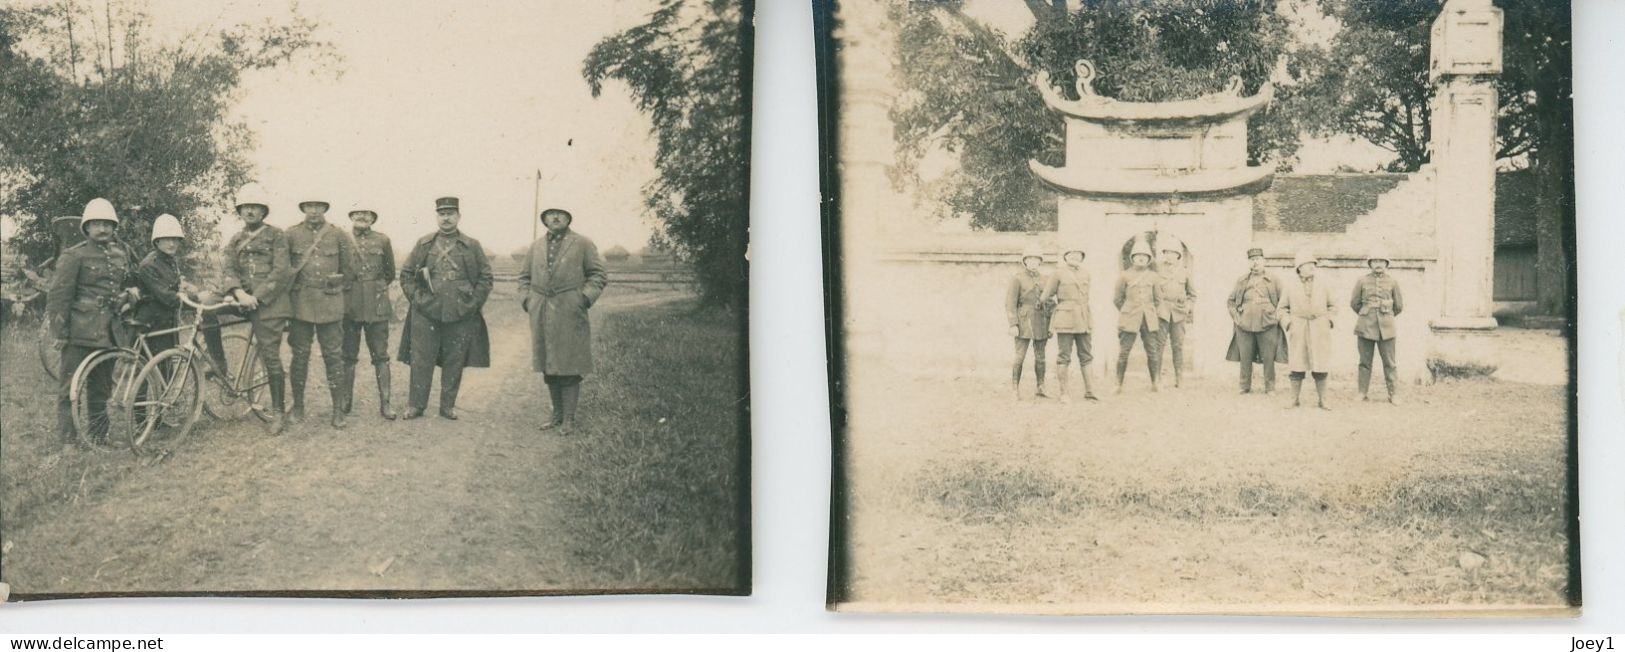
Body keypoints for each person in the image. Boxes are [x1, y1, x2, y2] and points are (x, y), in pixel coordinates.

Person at [47, 198, 139, 446]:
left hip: (109, 331)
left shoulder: (120, 254)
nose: (102, 229)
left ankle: (100, 436)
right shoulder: (73, 255)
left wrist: (129, 293)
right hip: (79, 330)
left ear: (114, 227)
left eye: (107, 224)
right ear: (86, 228)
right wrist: (60, 332)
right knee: (69, 389)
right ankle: (68, 440)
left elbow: (130, 280)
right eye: (96, 224)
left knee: (102, 388)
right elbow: (58, 297)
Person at [398, 196, 492, 420]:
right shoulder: (424, 244)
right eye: (442, 214)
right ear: (437, 217)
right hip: (426, 312)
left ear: (458, 216)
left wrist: (473, 303)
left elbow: (486, 278)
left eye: (451, 213)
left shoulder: (472, 245)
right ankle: (416, 405)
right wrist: (417, 300)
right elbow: (406, 275)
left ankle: (447, 406)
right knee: (421, 359)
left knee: (454, 359)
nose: (446, 218)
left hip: (460, 311)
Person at [518, 207, 609, 432]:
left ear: (568, 218)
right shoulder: (536, 246)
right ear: (544, 219)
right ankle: (556, 416)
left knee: (569, 363)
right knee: (548, 363)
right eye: (550, 214)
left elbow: (598, 275)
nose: (555, 217)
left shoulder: (582, 243)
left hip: (569, 308)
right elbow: (524, 278)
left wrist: (584, 298)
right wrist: (527, 301)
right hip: (540, 310)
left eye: (561, 214)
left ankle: (569, 419)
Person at [221, 182, 293, 434]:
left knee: (270, 356)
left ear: (264, 211)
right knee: (207, 308)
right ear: (239, 211)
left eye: (255, 207)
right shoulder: (236, 239)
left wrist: (257, 297)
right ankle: (218, 366)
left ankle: (278, 413)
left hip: (271, 304)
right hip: (242, 300)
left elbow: (280, 271)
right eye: (245, 207)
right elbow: (229, 268)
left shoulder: (276, 235)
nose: (250, 211)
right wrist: (239, 292)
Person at [284, 193, 359, 429]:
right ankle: (298, 406)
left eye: (318, 206)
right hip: (301, 304)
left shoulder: (338, 235)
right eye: (309, 205)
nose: (314, 210)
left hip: (330, 303)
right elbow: (284, 268)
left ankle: (337, 411)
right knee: (300, 356)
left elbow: (350, 268)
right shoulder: (291, 234)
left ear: (325, 208)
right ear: (303, 208)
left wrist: (335, 287)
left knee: (333, 357)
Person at [339, 204, 398, 420]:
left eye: (366, 214)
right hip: (350, 304)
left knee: (381, 355)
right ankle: (345, 401)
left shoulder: (383, 240)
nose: (361, 216)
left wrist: (375, 287)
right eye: (357, 213)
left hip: (376, 304)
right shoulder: (343, 239)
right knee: (347, 355)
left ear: (373, 218)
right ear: (351, 216)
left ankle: (386, 404)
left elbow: (389, 272)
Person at [1279, 250, 1337, 409]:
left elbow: (1333, 306)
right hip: (1299, 328)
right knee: (1297, 365)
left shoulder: (1324, 284)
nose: (1312, 267)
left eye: (1313, 264)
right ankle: (1294, 399)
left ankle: (1323, 400)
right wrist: (1289, 323)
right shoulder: (1290, 286)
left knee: (1321, 365)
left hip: (1319, 328)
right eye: (1308, 265)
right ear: (1299, 268)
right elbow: (1282, 309)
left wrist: (1329, 320)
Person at [1041, 240, 1097, 402]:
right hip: (1065, 320)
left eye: (1078, 254)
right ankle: (1063, 393)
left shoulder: (1086, 273)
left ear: (1082, 257)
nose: (1075, 256)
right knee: (1064, 355)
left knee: (1086, 354)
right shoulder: (1058, 273)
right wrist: (1058, 310)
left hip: (1084, 318)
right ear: (1065, 256)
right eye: (1071, 254)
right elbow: (1045, 297)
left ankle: (1090, 391)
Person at [1225, 247, 1286, 394]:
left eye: (1258, 259)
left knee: (1268, 357)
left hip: (1267, 324)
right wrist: (1236, 318)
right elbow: (1231, 301)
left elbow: (1283, 301)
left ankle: (1270, 387)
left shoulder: (1273, 280)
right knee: (1245, 356)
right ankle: (1244, 386)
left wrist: (1277, 317)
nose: (1255, 263)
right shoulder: (1242, 281)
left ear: (1264, 261)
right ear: (1249, 262)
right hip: (1245, 324)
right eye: (1252, 260)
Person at [1350, 250, 1404, 404]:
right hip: (1365, 326)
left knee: (1390, 362)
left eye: (1382, 261)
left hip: (1387, 328)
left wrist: (1386, 315)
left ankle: (1393, 394)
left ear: (1386, 264)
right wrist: (1366, 314)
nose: (1378, 264)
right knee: (1364, 361)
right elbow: (1354, 303)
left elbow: (1399, 306)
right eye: (1375, 261)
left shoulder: (1393, 282)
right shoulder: (1362, 281)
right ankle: (1362, 392)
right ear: (1370, 264)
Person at [1113, 238, 1162, 393]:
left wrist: (1148, 310)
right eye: (1138, 255)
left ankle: (1155, 383)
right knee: (1124, 352)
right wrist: (1128, 310)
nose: (1141, 258)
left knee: (1152, 352)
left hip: (1148, 318)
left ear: (1149, 259)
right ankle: (1118, 384)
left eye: (1145, 255)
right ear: (1132, 257)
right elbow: (1118, 299)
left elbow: (1158, 299)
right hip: (1129, 319)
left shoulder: (1154, 276)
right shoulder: (1124, 276)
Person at [1006, 243, 1052, 400]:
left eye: (1036, 259)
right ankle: (1014, 389)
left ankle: (1040, 387)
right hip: (1023, 320)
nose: (1033, 262)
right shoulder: (1017, 278)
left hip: (1041, 320)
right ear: (1025, 261)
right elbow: (1010, 302)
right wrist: (1013, 324)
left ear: (1040, 261)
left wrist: (1051, 324)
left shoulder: (1045, 279)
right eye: (1030, 259)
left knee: (1040, 356)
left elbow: (1050, 302)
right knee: (1020, 356)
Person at [1154, 234, 1194, 388]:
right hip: (1161, 312)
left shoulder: (1185, 272)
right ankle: (1156, 379)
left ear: (1178, 255)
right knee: (1159, 345)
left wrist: (1188, 307)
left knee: (1178, 346)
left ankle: (1179, 378)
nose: (1169, 256)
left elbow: (1192, 294)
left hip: (1178, 313)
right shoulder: (1156, 270)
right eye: (1166, 252)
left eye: (1172, 253)